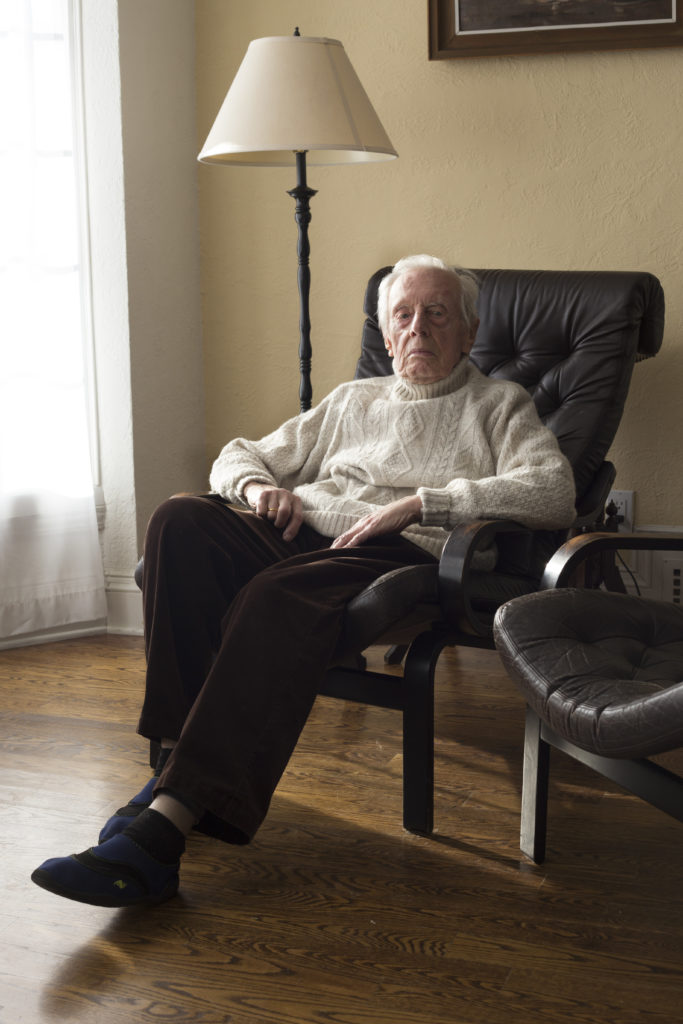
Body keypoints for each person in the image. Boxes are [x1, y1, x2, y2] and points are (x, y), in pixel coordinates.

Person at [31, 254, 576, 907]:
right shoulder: (352, 400)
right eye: (402, 315)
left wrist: (422, 503)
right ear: (384, 330)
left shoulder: (497, 403)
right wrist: (260, 488)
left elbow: (552, 492)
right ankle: (175, 766)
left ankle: (162, 833)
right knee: (180, 518)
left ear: (468, 330)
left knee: (272, 594)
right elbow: (238, 455)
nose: (418, 330)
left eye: (437, 315)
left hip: (398, 548)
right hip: (305, 530)